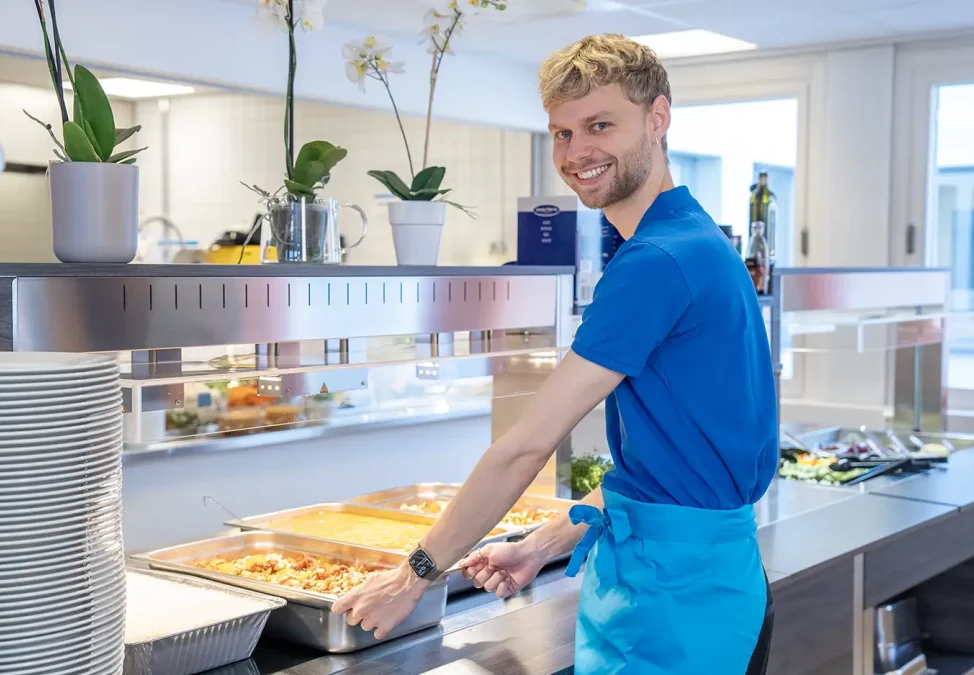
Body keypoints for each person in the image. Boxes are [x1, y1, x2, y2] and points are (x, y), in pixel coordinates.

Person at [332, 33, 778, 674]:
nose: (576, 152)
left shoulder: (655, 262)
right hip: (703, 583)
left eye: (600, 125)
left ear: (658, 118)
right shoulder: (696, 239)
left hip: (676, 608)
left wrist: (415, 575)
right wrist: (541, 543)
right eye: (562, 133)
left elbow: (525, 446)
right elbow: (669, 468)